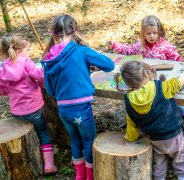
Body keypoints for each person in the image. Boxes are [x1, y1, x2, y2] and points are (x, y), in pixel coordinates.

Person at [42, 15, 115, 180]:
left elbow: (51, 91)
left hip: (63, 110)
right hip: (82, 109)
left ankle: (79, 175)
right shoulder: (81, 51)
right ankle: (90, 176)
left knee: (75, 141)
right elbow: (109, 65)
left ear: (54, 35)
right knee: (88, 141)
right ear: (74, 32)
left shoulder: (48, 59)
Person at [108, 15, 184, 131]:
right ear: (143, 33)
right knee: (153, 101)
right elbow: (128, 50)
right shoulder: (140, 46)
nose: (152, 36)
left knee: (172, 96)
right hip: (147, 80)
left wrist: (181, 60)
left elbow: (175, 56)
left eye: (155, 33)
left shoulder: (164, 45)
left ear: (159, 32)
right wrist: (115, 46)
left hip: (164, 78)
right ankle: (151, 120)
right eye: (148, 33)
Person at [0, 34, 57, 174]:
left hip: (17, 112)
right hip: (34, 109)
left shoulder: (2, 69)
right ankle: (49, 165)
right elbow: (39, 76)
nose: (28, 53)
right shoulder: (26, 62)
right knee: (43, 133)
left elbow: (1, 91)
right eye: (27, 50)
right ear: (18, 51)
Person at [120, 61, 184, 180]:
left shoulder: (128, 99)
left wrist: (130, 139)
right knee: (181, 158)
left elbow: (131, 123)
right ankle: (183, 177)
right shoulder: (160, 87)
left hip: (154, 138)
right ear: (145, 73)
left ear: (127, 84)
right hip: (173, 134)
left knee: (159, 160)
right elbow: (178, 83)